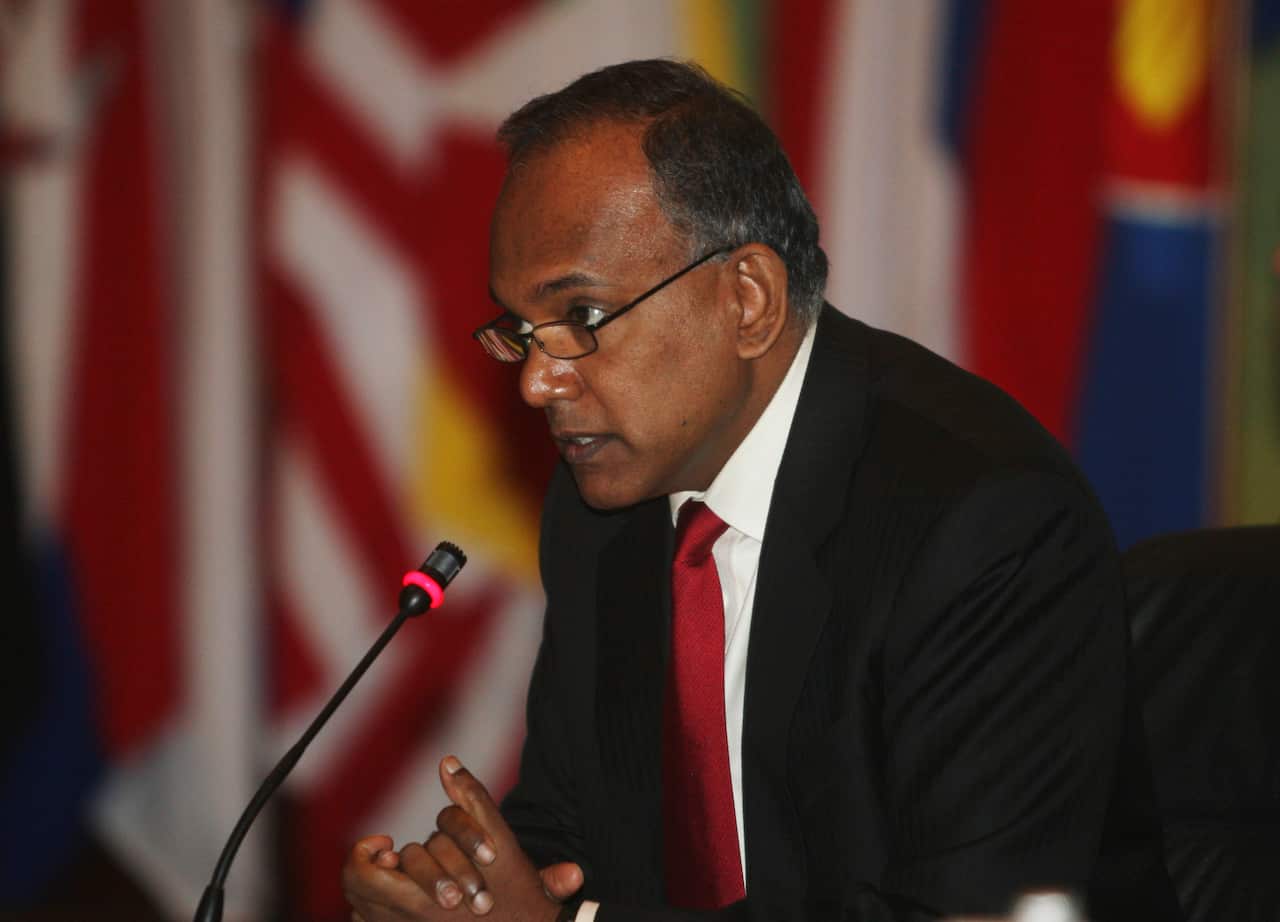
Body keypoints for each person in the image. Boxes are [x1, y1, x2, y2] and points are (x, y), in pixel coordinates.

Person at [342, 59, 1182, 922]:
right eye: (523, 331)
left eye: (582, 320)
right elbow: (569, 840)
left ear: (747, 300)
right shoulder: (603, 512)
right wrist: (462, 897)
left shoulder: (981, 526)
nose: (537, 383)